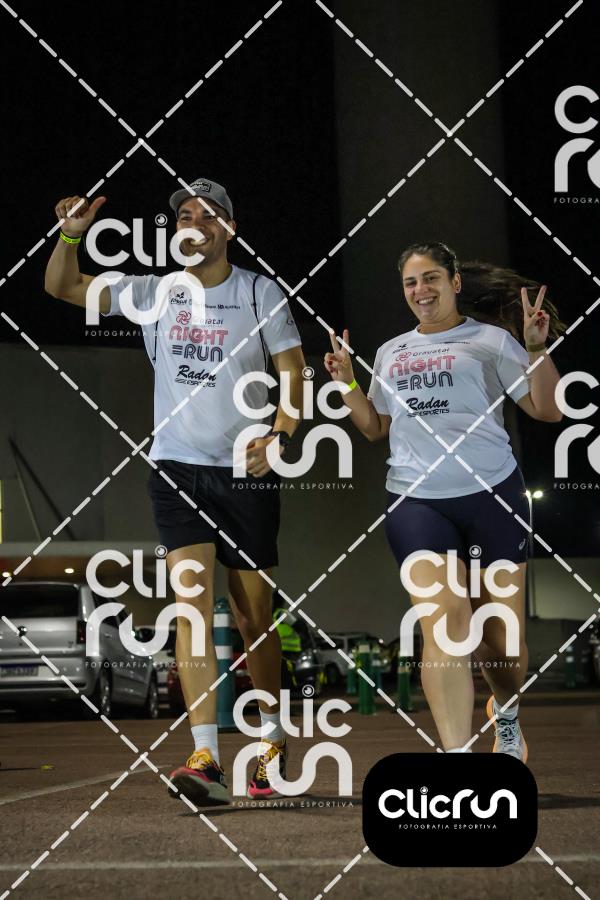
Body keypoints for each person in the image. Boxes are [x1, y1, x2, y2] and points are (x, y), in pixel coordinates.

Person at [45, 178, 306, 802]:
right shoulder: (153, 291)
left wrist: (280, 435)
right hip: (175, 468)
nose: (195, 223)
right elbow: (62, 286)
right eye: (185, 215)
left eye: (209, 214)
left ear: (229, 228)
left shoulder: (259, 292)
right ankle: (206, 756)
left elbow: (293, 372)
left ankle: (271, 740)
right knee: (190, 607)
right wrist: (71, 236)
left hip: (245, 472)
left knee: (253, 619)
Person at [323, 241, 564, 759]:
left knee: (502, 644)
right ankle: (456, 757)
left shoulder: (492, 341)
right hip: (417, 500)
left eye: (431, 278)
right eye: (411, 282)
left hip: (492, 495)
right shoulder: (391, 352)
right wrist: (346, 385)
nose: (421, 290)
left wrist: (536, 349)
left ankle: (506, 714)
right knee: (447, 621)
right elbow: (376, 428)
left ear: (454, 282)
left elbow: (547, 410)